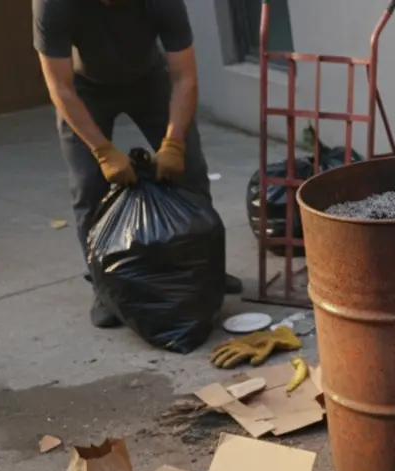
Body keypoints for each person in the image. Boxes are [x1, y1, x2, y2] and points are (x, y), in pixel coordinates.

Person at [33, 0, 240, 329]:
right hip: (84, 90)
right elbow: (60, 87)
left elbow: (184, 77)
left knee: (190, 169)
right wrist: (102, 151)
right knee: (88, 187)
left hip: (149, 80)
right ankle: (105, 288)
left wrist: (173, 142)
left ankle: (206, 270)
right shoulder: (54, 5)